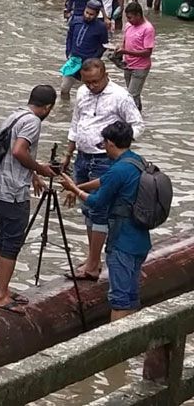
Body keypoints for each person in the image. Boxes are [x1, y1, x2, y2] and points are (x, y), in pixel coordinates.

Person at [62, 59, 144, 281]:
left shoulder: (120, 96)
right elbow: (75, 122)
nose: (92, 86)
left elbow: (137, 124)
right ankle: (93, 258)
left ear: (105, 74)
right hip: (83, 155)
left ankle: (92, 264)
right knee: (87, 208)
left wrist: (118, 143)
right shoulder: (81, 93)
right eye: (88, 82)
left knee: (99, 209)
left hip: (105, 159)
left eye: (96, 82)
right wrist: (68, 154)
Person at [59, 120, 149, 320]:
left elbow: (97, 202)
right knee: (131, 295)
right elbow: (105, 181)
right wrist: (79, 185)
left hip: (122, 242)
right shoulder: (136, 161)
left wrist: (75, 190)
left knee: (119, 299)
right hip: (140, 239)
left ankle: (118, 346)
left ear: (109, 143)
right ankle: (132, 340)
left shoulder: (118, 170)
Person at [0, 85, 58, 315]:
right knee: (12, 242)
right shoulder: (33, 122)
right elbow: (18, 151)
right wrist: (40, 168)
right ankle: (0, 296)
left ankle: (3, 288)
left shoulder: (15, 115)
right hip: (13, 192)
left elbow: (9, 151)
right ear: (48, 107)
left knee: (4, 238)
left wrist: (33, 175)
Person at [60, 1, 109, 99]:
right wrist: (68, 52)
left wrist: (94, 59)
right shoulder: (75, 21)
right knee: (64, 88)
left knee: (88, 92)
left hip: (89, 65)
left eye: (91, 14)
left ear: (97, 14)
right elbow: (69, 37)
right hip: (73, 61)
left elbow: (104, 46)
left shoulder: (101, 27)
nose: (88, 16)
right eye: (86, 12)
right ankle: (65, 108)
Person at [117, 1, 155, 110]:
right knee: (134, 95)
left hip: (140, 68)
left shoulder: (148, 29)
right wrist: (119, 48)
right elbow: (125, 41)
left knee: (130, 96)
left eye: (130, 18)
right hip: (128, 65)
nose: (128, 20)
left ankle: (131, 120)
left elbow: (147, 52)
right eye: (127, 18)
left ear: (138, 15)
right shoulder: (129, 25)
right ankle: (139, 115)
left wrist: (126, 52)